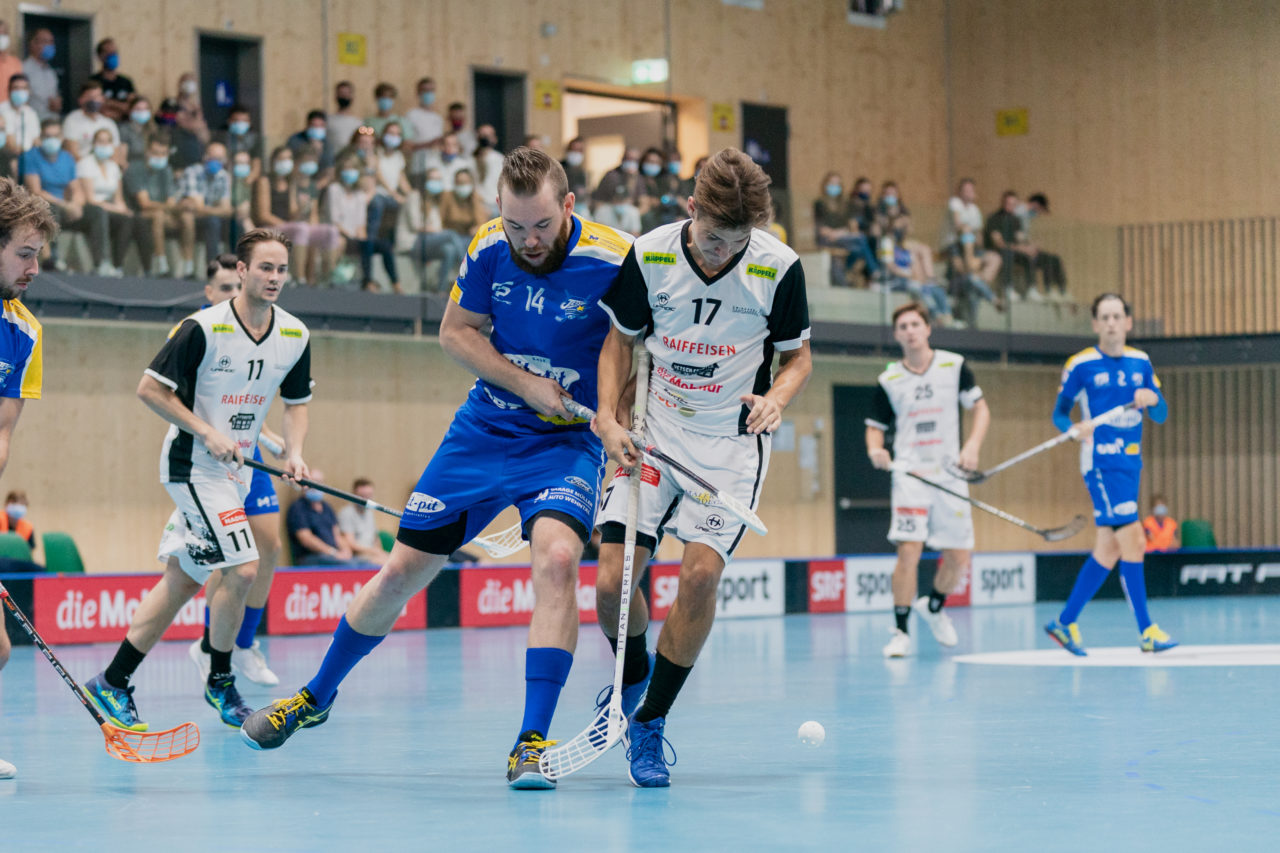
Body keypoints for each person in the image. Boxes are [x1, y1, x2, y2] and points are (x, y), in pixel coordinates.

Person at [239, 148, 633, 797]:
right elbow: (455, 333)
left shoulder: (615, 260)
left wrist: (617, 419)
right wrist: (525, 383)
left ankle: (531, 741)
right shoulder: (488, 248)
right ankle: (314, 695)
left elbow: (637, 348)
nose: (528, 240)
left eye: (540, 225)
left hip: (567, 445)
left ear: (569, 207)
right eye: (515, 225)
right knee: (399, 571)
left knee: (558, 562)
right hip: (484, 430)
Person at [592, 147, 812, 787]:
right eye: (713, 239)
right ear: (691, 210)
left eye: (736, 242)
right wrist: (607, 417)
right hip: (655, 432)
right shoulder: (651, 252)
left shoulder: (778, 267)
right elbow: (620, 341)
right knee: (610, 583)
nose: (721, 253)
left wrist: (775, 399)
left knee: (698, 577)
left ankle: (650, 723)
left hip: (731, 447)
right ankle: (633, 684)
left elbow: (798, 360)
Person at [83, 229, 313, 732]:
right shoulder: (201, 328)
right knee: (246, 567)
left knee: (184, 578)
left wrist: (294, 453)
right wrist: (207, 430)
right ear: (242, 272)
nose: (274, 278)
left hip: (234, 472)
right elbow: (149, 390)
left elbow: (297, 403)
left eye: (281, 269)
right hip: (192, 466)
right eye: (265, 268)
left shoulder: (295, 334)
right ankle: (221, 678)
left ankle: (113, 681)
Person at [1044, 293, 1178, 656]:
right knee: (1133, 539)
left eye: (1117, 316)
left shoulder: (1142, 362)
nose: (1111, 323)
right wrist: (1074, 428)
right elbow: (1060, 414)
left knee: (1109, 548)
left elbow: (1162, 414)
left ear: (1128, 322)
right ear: (1095, 324)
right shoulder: (1081, 365)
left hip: (1130, 464)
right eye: (1104, 317)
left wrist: (1153, 400)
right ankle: (1147, 631)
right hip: (1100, 463)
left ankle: (1064, 622)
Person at [184, 253, 288, 688]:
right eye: (223, 288)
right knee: (228, 560)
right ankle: (211, 645)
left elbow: (245, 395)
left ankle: (244, 645)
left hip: (248, 458)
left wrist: (262, 434)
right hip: (205, 461)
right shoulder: (198, 332)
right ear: (210, 293)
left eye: (235, 285)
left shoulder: (258, 331)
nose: (232, 294)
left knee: (270, 547)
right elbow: (195, 399)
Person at [866, 302, 989, 658]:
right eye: (902, 326)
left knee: (959, 557)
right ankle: (901, 632)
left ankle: (934, 606)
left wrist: (972, 447)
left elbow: (980, 409)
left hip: (951, 476)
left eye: (915, 324)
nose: (909, 330)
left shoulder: (954, 366)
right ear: (897, 334)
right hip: (910, 476)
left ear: (927, 329)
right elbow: (874, 430)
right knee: (909, 551)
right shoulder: (889, 380)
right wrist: (877, 451)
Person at [0, 175, 60, 780]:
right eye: (24, 252)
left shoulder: (25, 331)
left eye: (38, 254)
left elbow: (2, 435)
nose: (34, 267)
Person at [22, 117, 109, 273]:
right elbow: (35, 190)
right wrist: (65, 205)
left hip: (66, 208)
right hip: (45, 206)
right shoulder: (31, 156)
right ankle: (54, 260)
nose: (52, 140)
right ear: (41, 138)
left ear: (61, 138)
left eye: (55, 136)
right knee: (51, 208)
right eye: (48, 136)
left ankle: (100, 264)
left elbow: (76, 189)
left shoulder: (67, 158)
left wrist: (75, 205)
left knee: (97, 212)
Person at [123, 133, 188, 276]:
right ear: (147, 152)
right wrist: (172, 208)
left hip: (163, 213)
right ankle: (160, 263)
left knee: (187, 216)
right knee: (158, 215)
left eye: (163, 153)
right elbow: (144, 203)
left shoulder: (166, 170)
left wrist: (176, 208)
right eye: (156, 153)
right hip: (136, 213)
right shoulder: (135, 168)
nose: (159, 157)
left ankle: (188, 266)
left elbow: (171, 200)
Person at [75, 126, 136, 276]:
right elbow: (90, 199)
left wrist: (123, 209)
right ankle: (101, 263)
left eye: (107, 142)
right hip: (88, 209)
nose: (104, 145)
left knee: (127, 219)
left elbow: (119, 199)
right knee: (100, 213)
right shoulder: (85, 163)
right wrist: (116, 209)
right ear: (94, 144)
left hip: (107, 208)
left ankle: (118, 265)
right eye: (100, 141)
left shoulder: (114, 167)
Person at [285, 470, 372, 567]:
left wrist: (346, 550)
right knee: (352, 565)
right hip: (310, 558)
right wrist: (333, 553)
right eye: (312, 481)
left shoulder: (327, 508)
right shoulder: (298, 508)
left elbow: (337, 536)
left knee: (364, 563)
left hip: (333, 556)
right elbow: (306, 539)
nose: (315, 486)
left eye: (319, 482)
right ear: (303, 483)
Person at [177, 141, 233, 272]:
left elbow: (227, 209)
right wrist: (219, 210)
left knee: (237, 223)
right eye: (213, 158)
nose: (216, 162)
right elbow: (197, 208)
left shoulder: (224, 176)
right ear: (205, 157)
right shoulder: (192, 172)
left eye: (220, 159)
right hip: (191, 216)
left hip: (210, 215)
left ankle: (240, 270)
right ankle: (213, 269)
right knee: (213, 222)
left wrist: (219, 210)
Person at [409, 166, 467, 292]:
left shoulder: (433, 201)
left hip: (429, 241)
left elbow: (438, 226)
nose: (436, 183)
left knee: (449, 250)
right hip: (413, 241)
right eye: (433, 179)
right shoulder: (414, 196)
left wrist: (435, 230)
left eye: (438, 180)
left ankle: (441, 290)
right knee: (451, 234)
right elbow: (415, 225)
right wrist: (435, 230)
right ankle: (467, 270)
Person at [336, 477, 392, 562]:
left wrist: (379, 552)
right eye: (363, 496)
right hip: (358, 556)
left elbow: (376, 538)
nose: (366, 500)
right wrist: (374, 551)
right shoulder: (346, 513)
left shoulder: (369, 512)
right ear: (354, 495)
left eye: (369, 495)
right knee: (386, 564)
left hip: (372, 554)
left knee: (395, 562)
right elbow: (351, 544)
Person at [62, 82, 120, 161]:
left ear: (102, 99)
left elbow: (115, 154)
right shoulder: (72, 120)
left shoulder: (109, 123)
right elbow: (72, 154)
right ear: (80, 99)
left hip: (106, 168)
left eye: (96, 97)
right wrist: (89, 167)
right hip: (82, 168)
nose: (93, 100)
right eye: (89, 97)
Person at [87, 38, 135, 123]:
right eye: (109, 53)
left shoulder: (126, 82)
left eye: (115, 53)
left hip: (124, 124)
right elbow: (97, 108)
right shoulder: (93, 82)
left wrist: (108, 102)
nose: (113, 56)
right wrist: (120, 106)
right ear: (100, 56)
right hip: (99, 123)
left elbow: (132, 108)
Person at [20, 29, 59, 122]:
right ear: (33, 44)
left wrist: (57, 103)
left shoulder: (50, 71)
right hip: (32, 122)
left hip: (51, 122)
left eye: (51, 42)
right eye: (45, 41)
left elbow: (54, 96)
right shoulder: (23, 69)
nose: (50, 45)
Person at [1, 74, 40, 156]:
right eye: (16, 88)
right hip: (8, 157)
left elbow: (36, 140)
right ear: (9, 90)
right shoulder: (2, 111)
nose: (20, 91)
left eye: (23, 88)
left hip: (29, 157)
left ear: (29, 91)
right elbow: (10, 144)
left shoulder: (31, 113)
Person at [328, 81, 363, 151]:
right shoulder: (328, 120)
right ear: (336, 96)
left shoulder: (358, 123)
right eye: (341, 93)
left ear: (352, 96)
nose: (344, 96)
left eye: (346, 93)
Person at [0, 21, 21, 97]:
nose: (1, 37)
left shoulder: (15, 62)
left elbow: (20, 87)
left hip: (9, 107)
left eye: (4, 34)